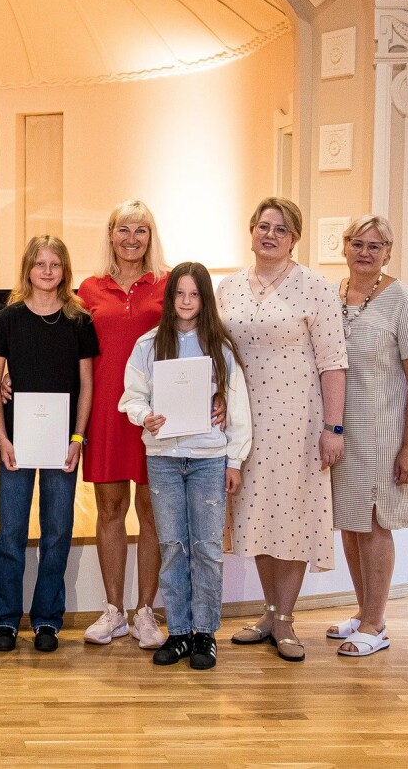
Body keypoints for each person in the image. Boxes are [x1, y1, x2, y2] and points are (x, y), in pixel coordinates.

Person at [219, 197, 347, 663]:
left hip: (298, 419)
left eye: (281, 229)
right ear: (251, 230)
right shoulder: (228, 287)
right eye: (263, 226)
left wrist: (333, 427)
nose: (270, 235)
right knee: (256, 512)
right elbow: (215, 352)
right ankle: (270, 612)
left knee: (290, 515)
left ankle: (287, 619)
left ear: (295, 238)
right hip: (244, 421)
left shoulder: (316, 287)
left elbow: (334, 363)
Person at [119, 262, 251, 670]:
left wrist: (235, 458)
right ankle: (178, 632)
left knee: (207, 547)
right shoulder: (148, 345)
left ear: (204, 299)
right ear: (170, 297)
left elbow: (238, 405)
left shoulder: (219, 348)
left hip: (209, 460)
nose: (187, 302)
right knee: (172, 545)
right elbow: (132, 397)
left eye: (194, 295)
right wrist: (146, 417)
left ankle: (205, 633)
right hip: (163, 459)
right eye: (180, 294)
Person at [0, 236, 98, 653]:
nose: (47, 271)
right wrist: (3, 438)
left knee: (57, 531)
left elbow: (87, 386)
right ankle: (5, 620)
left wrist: (78, 438)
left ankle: (48, 619)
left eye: (55, 264)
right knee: (10, 530)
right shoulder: (8, 319)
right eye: (39, 263)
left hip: (61, 445)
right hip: (16, 443)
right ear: (27, 269)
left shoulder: (79, 321)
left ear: (65, 270)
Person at [327, 215, 408, 657]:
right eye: (357, 243)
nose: (365, 252)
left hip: (384, 433)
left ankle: (376, 622)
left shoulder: (405, 300)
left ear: (388, 252)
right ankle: (362, 611)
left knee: (373, 525)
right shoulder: (332, 295)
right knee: (351, 526)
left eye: (376, 245)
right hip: (341, 433)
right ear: (345, 247)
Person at [76, 200, 169, 648]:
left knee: (151, 513)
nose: (132, 238)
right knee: (110, 510)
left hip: (154, 415)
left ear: (151, 237)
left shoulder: (169, 285)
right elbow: (68, 351)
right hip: (106, 413)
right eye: (123, 230)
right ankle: (114, 610)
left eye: (141, 230)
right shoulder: (88, 288)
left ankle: (146, 612)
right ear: (110, 234)